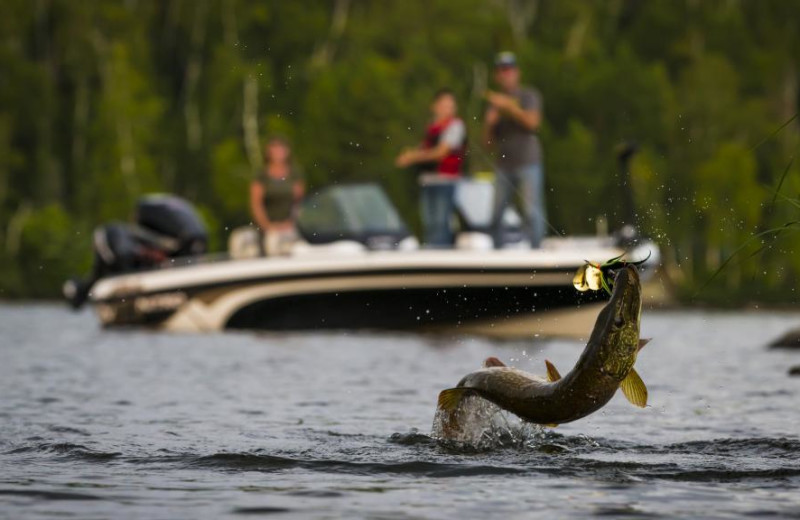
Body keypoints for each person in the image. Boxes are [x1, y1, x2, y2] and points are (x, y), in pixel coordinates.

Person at [482, 51, 545, 248]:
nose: (505, 74)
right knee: (495, 215)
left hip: (528, 162)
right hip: (503, 165)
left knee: (531, 212)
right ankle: (497, 258)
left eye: (508, 70)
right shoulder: (494, 104)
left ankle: (538, 256)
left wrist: (509, 107)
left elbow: (533, 123)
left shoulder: (528, 95)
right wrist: (489, 124)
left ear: (517, 72)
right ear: (496, 76)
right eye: (501, 71)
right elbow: (487, 144)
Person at [395, 88, 467, 247]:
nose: (447, 109)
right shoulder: (432, 127)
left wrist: (412, 157)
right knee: (429, 224)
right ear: (434, 106)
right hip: (428, 181)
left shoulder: (455, 126)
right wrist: (410, 155)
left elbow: (441, 152)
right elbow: (426, 149)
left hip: (445, 182)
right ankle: (431, 257)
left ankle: (442, 260)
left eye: (450, 106)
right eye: (443, 105)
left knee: (440, 224)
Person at [249, 136, 305, 255]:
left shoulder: (294, 174)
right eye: (274, 149)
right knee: (272, 243)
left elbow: (299, 202)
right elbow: (256, 205)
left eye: (281, 148)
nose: (278, 152)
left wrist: (291, 223)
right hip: (268, 228)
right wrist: (267, 226)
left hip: (290, 226)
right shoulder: (262, 176)